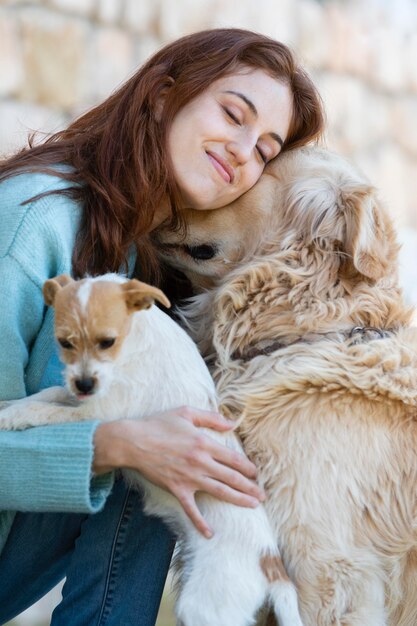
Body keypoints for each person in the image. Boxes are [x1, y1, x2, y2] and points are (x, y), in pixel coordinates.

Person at [0, 28, 324, 626]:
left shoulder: (138, 258)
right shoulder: (31, 224)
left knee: (177, 438)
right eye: (233, 114)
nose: (242, 151)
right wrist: (117, 443)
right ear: (161, 96)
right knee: (159, 435)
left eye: (264, 151)